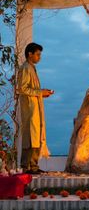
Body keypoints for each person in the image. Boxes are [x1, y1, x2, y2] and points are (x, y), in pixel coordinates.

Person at [17, 42, 54, 174]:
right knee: (30, 137)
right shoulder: (26, 68)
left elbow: (32, 90)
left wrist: (42, 93)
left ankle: (33, 166)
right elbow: (22, 88)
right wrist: (40, 92)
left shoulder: (32, 68)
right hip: (30, 110)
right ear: (30, 54)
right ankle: (26, 166)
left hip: (35, 108)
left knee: (36, 136)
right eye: (37, 54)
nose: (39, 57)